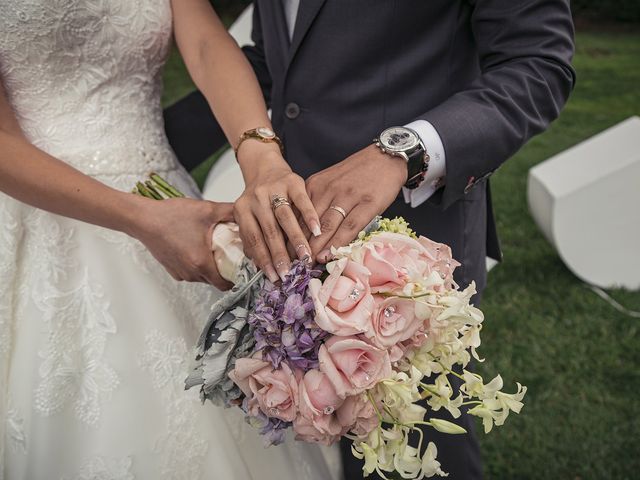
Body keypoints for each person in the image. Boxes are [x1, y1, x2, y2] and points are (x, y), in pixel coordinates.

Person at [164, 1, 576, 478]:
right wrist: (146, 145)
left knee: (416, 451)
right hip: (293, 232)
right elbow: (283, 62)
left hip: (412, 250)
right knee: (331, 432)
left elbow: (538, 66)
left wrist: (403, 152)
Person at [0, 0, 333, 478]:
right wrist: (141, 218)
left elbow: (204, 42)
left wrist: (260, 154)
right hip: (44, 212)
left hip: (167, 190)